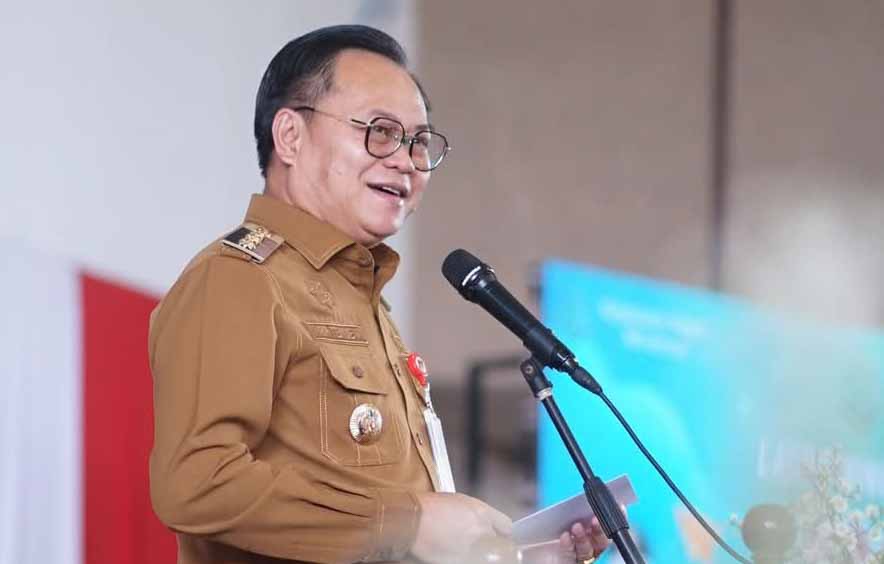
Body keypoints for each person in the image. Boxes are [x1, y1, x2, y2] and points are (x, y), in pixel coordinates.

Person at [149, 24, 610, 564]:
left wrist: (528, 556)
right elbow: (197, 482)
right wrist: (408, 524)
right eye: (381, 132)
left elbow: (387, 536)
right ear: (291, 136)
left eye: (419, 143)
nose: (406, 161)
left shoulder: (364, 303)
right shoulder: (240, 278)